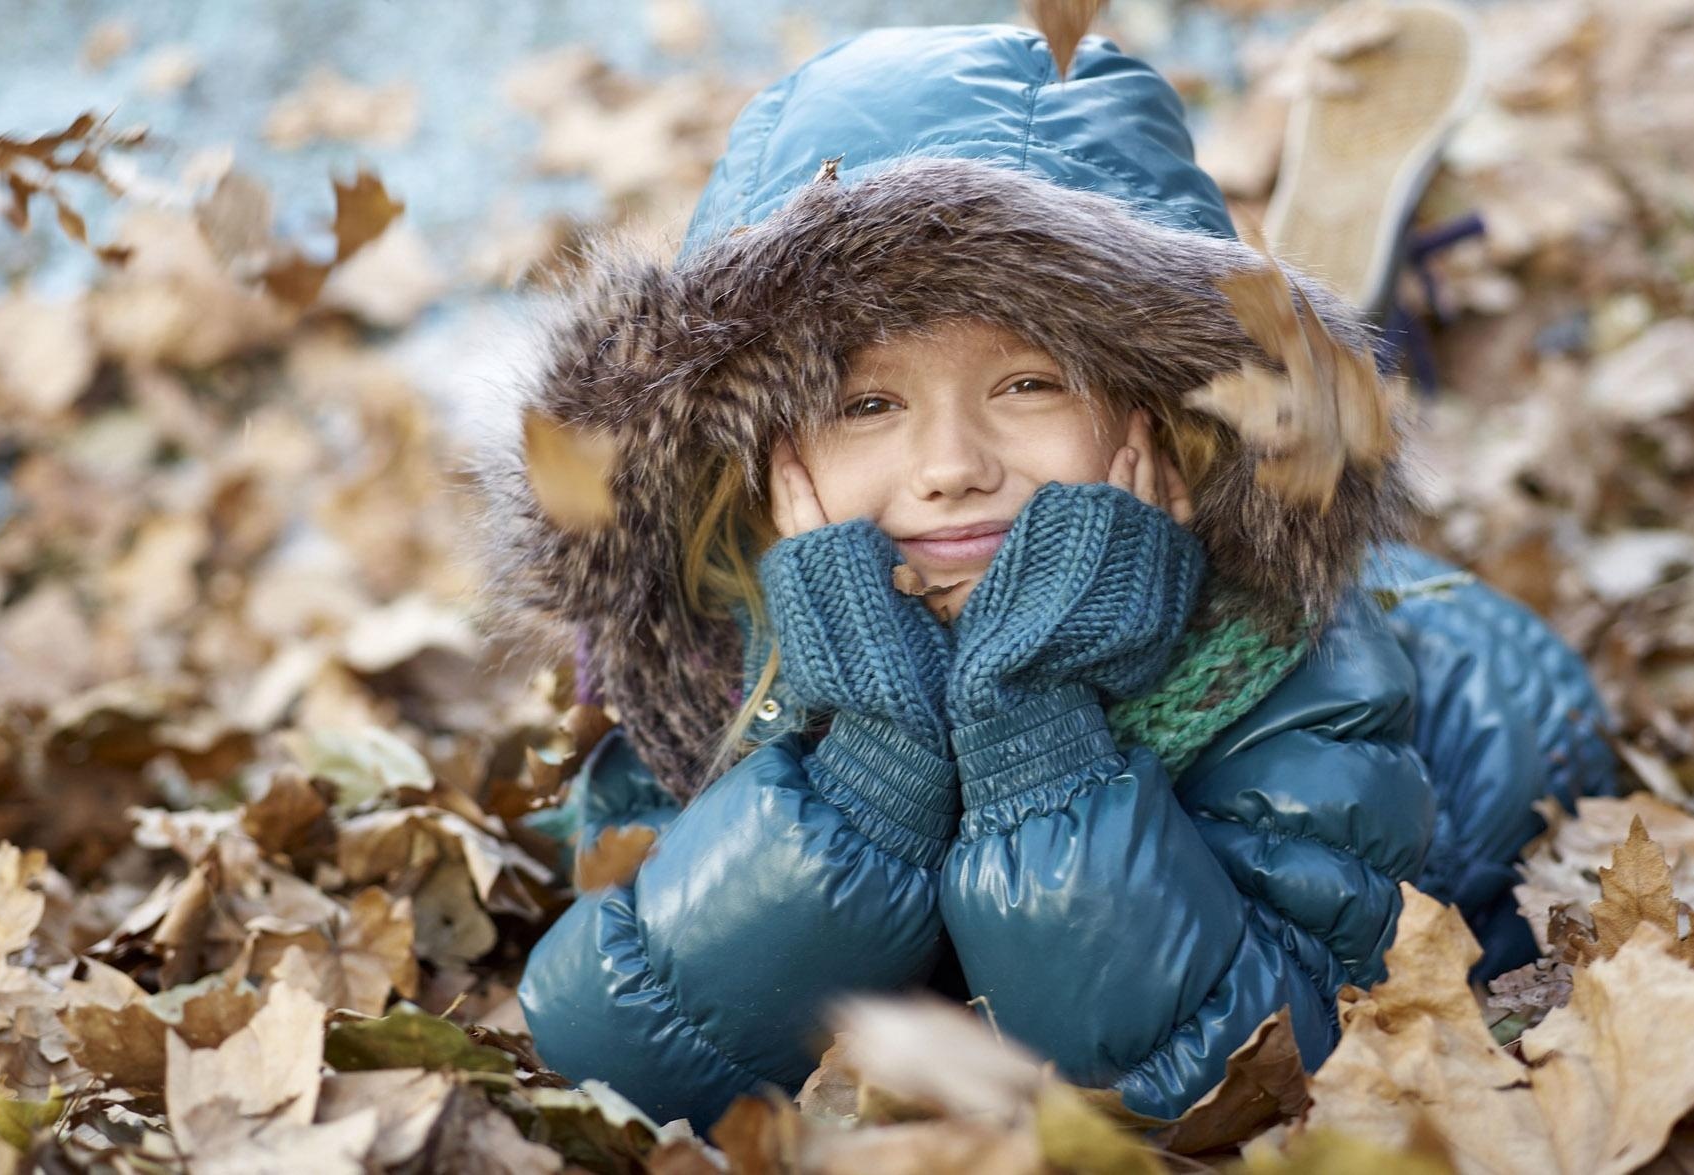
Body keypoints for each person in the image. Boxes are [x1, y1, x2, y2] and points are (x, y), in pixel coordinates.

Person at [467, 23, 1618, 1135]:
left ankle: (1330, 350)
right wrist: (866, 768)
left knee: (1320, 475)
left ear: (1151, 414)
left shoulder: (1292, 670)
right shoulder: (718, 662)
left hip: (1477, 688)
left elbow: (1253, 1083)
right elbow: (613, 1056)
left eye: (1029, 384)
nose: (954, 467)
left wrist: (1035, 730)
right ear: (758, 461)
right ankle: (1322, 310)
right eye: (868, 403)